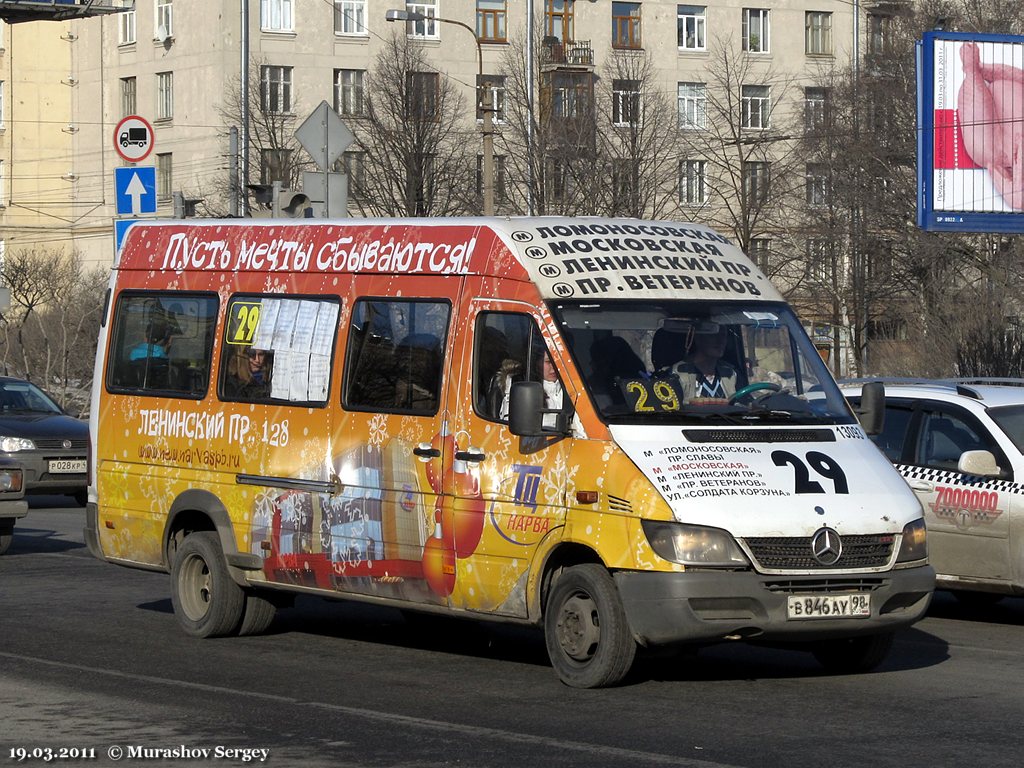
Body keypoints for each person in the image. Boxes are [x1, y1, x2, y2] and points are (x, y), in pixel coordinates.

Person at [671, 322, 737, 402]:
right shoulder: (677, 374)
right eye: (713, 335)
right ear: (698, 338)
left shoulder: (730, 374)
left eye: (723, 335)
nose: (720, 341)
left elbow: (742, 405)